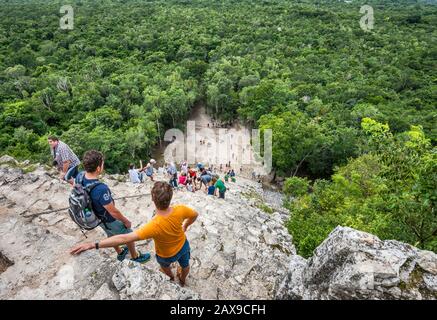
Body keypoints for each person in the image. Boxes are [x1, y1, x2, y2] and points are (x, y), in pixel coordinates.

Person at [70, 181, 199, 286]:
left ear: (153, 199)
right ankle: (182, 278)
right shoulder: (181, 209)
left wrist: (94, 244)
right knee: (185, 265)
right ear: (170, 198)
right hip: (183, 246)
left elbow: (124, 238)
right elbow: (195, 215)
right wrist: (185, 226)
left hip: (165, 255)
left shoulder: (153, 226)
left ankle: (170, 277)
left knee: (165, 267)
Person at [73, 150, 150, 263]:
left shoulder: (80, 176)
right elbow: (112, 211)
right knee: (128, 234)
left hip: (95, 217)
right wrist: (125, 220)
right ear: (99, 168)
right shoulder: (101, 189)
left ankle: (120, 252)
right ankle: (135, 257)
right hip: (108, 218)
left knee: (110, 233)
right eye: (102, 163)